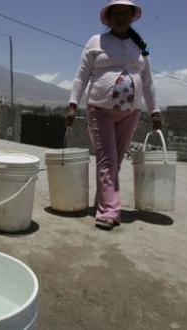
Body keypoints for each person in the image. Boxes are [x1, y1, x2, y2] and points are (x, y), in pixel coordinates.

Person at [65, 0, 161, 229]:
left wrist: (155, 110)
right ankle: (110, 210)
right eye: (115, 13)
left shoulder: (141, 46)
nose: (120, 17)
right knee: (107, 158)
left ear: (132, 16)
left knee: (114, 161)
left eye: (125, 13)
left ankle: (104, 202)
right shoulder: (96, 41)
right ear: (108, 18)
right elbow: (81, 76)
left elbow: (148, 82)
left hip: (131, 112)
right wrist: (72, 104)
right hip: (100, 109)